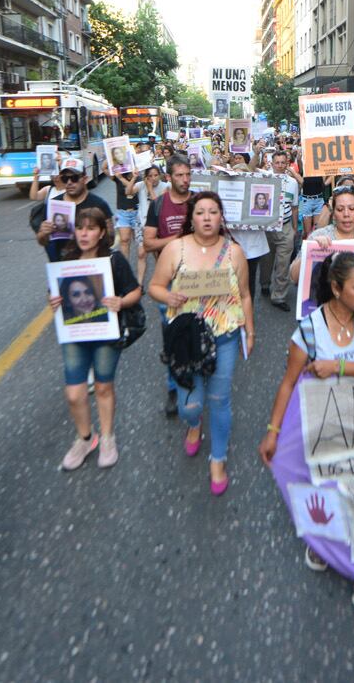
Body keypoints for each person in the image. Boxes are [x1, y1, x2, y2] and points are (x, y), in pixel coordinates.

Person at [258, 252, 354, 622]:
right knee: (329, 495)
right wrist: (272, 432)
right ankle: (322, 544)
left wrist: (336, 366)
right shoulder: (308, 329)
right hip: (323, 430)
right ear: (336, 289)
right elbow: (288, 384)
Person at [148, 192, 254, 495]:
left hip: (225, 336)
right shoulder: (174, 249)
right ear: (191, 217)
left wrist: (251, 330)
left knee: (220, 399)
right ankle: (194, 424)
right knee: (189, 405)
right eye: (200, 212)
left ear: (222, 217)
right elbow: (154, 287)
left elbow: (245, 294)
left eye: (213, 212)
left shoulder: (234, 252)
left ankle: (217, 459)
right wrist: (168, 296)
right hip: (186, 339)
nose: (207, 218)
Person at [50, 209, 142, 471]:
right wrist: (54, 300)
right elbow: (55, 293)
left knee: (103, 387)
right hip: (75, 333)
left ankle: (108, 437)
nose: (84, 234)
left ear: (102, 232)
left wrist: (121, 301)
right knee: (74, 393)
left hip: (104, 333)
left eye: (90, 229)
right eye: (80, 228)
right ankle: (86, 438)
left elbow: (136, 291)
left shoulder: (113, 261)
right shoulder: (67, 259)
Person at [144, 155, 195, 417]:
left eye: (188, 174)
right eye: (179, 175)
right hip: (170, 283)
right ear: (168, 177)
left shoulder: (199, 201)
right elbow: (148, 243)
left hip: (199, 281)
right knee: (173, 340)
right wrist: (178, 239)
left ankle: (196, 384)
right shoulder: (158, 204)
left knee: (199, 334)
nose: (185, 180)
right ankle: (173, 387)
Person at [35, 157, 112, 263]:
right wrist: (44, 233)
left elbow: (110, 239)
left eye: (74, 178)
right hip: (63, 266)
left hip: (93, 265)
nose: (69, 182)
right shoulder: (53, 205)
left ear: (85, 179)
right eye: (65, 179)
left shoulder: (99, 204)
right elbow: (42, 241)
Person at [258, 149, 300, 312]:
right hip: (267, 227)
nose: (280, 165)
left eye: (283, 163)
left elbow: (295, 207)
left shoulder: (293, 183)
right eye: (277, 163)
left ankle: (279, 296)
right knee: (266, 260)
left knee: (283, 264)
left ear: (287, 164)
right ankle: (265, 283)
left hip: (286, 227)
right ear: (272, 163)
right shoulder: (264, 177)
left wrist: (295, 228)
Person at [133, 164, 165, 283]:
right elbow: (128, 192)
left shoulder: (165, 186)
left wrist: (150, 189)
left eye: (156, 175)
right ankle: (139, 284)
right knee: (141, 254)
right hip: (142, 223)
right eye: (150, 176)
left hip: (157, 226)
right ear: (146, 177)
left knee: (158, 255)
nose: (154, 178)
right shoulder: (141, 185)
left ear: (160, 175)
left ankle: (160, 279)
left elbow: (158, 205)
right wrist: (133, 178)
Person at [110, 160, 142, 257]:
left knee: (139, 243)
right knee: (124, 241)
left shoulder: (138, 177)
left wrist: (122, 178)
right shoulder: (117, 176)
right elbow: (104, 168)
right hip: (123, 213)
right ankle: (125, 268)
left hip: (137, 213)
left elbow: (130, 189)